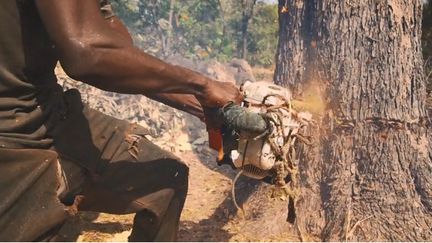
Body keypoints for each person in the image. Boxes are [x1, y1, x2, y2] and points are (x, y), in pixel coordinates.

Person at [0, 0, 242, 241]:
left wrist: (202, 105)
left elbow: (117, 55)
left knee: (166, 180)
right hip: (14, 127)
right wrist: (202, 85)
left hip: (48, 108)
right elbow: (87, 53)